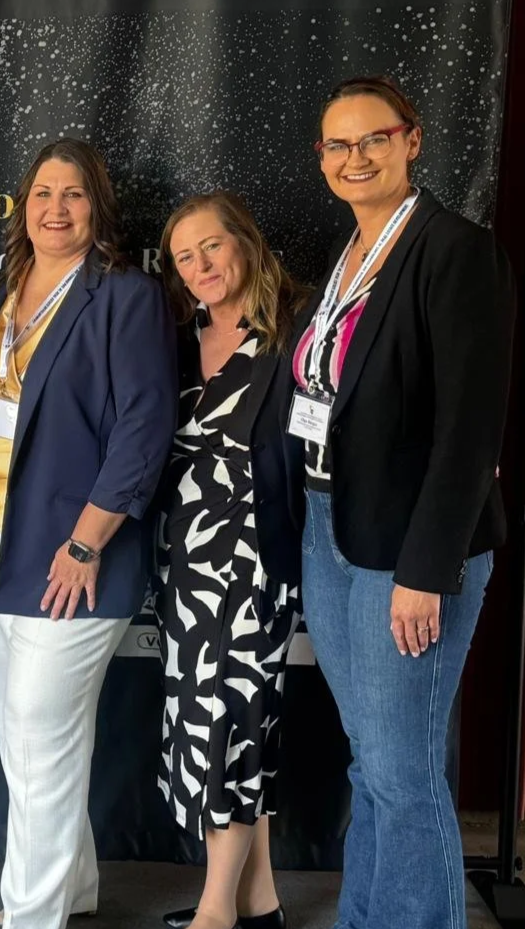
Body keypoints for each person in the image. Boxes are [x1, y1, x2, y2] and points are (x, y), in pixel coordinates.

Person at [292, 75, 514, 929]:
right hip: (330, 526)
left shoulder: (456, 250)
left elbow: (470, 433)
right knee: (370, 762)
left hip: (409, 548)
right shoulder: (349, 258)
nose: (356, 158)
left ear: (412, 140)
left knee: (403, 769)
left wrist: (429, 570)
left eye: (373, 139)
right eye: (338, 146)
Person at [0, 138, 178, 929]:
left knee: (41, 741)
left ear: (98, 207)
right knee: (24, 739)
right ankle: (72, 891)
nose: (56, 208)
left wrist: (85, 543)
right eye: (43, 192)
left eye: (74, 194)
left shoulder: (125, 295)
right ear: (23, 204)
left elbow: (144, 430)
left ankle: (28, 917)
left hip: (74, 552)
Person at [152, 192, 305, 929]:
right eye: (184, 256)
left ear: (243, 241)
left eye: (211, 247)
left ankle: (216, 910)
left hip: (254, 566)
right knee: (216, 721)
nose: (200, 266)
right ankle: (260, 900)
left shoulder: (292, 332)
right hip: (183, 568)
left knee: (231, 724)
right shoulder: (179, 340)